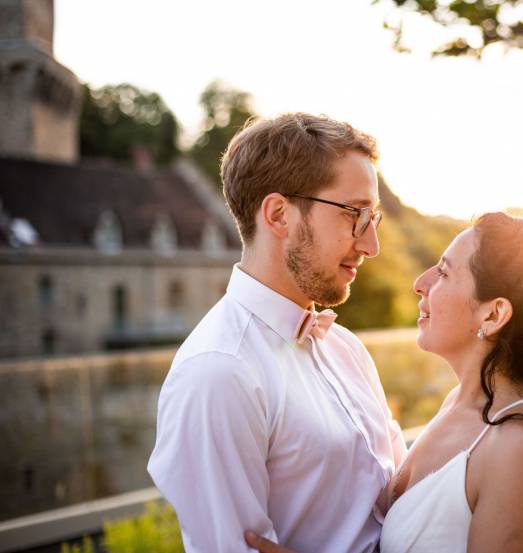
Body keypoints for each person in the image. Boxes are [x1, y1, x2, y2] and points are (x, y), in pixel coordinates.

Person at [246, 212, 523, 552]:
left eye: (444, 274)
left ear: (493, 314)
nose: (421, 283)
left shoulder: (520, 444)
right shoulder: (463, 402)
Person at [148, 113, 407, 552]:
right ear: (279, 214)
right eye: (354, 215)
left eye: (373, 219)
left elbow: (400, 493)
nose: (370, 245)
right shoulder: (218, 374)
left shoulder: (345, 347)